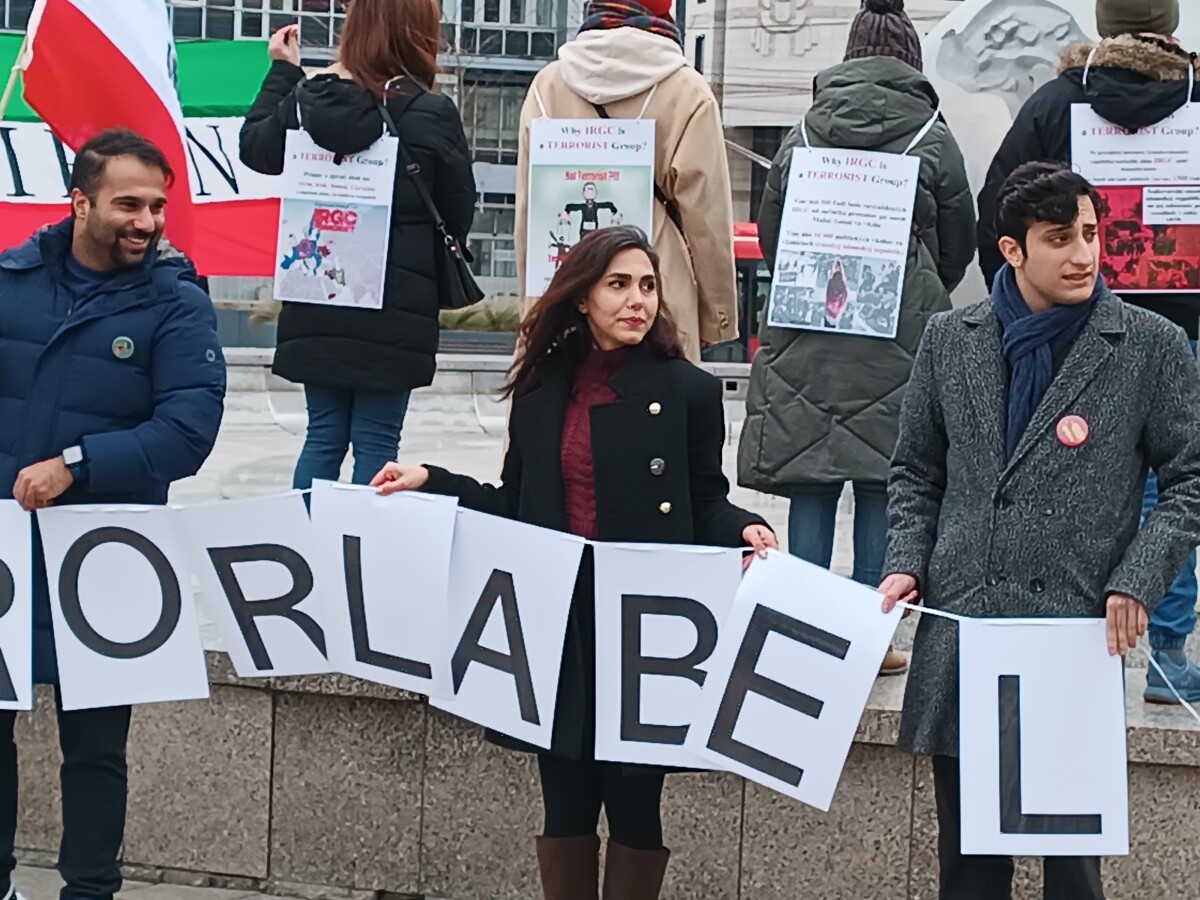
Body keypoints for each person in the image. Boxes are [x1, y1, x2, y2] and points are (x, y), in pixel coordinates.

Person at [370, 226, 776, 899]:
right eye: (618, 284)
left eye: (647, 285)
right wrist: (431, 480)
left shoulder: (688, 392)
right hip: (558, 621)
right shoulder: (540, 389)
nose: (637, 300)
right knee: (563, 801)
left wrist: (747, 530)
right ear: (582, 296)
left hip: (646, 628)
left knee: (636, 801)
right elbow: (513, 503)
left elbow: (705, 500)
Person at [880, 162, 1200, 900]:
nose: (1084, 253)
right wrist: (906, 561)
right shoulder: (949, 338)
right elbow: (916, 473)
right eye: (1060, 238)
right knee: (968, 869)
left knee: (1072, 870)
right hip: (965, 630)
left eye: (1091, 233)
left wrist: (1138, 577)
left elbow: (1189, 479)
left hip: (1072, 634)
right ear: (1012, 250)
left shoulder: (1149, 345)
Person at [0, 129, 226, 900]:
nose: (148, 220)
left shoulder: (179, 304)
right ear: (80, 202)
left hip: (106, 553)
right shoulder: (8, 283)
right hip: (5, 550)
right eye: (128, 203)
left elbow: (188, 432)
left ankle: (90, 890)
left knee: (96, 748)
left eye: (157, 205)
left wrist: (79, 463)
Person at [739, 0, 976, 678]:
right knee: (885, 480)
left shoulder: (805, 130)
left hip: (811, 320)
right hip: (901, 332)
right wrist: (915, 285)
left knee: (812, 476)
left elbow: (773, 230)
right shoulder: (932, 132)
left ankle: (805, 627)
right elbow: (958, 240)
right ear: (910, 59)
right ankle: (870, 637)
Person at [974, 0, 1200, 703]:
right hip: (1182, 320)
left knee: (1061, 468)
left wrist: (1021, 303)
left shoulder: (1053, 104)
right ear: (1169, 25)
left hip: (1074, 322)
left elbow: (997, 207)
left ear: (1103, 24)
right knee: (1175, 480)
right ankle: (1167, 649)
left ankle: (1058, 634)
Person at [239, 0, 476, 493]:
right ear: (419, 33)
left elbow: (255, 150)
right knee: (378, 442)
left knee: (322, 435)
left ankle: (310, 550)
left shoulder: (308, 100)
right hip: (397, 306)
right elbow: (458, 211)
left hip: (320, 291)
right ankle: (361, 558)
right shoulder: (431, 113)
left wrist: (284, 73)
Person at [514, 0, 738, 362]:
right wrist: (716, 319)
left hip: (563, 301)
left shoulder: (548, 85)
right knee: (653, 412)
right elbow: (708, 223)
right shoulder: (688, 91)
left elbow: (529, 213)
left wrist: (532, 305)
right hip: (654, 306)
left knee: (563, 410)